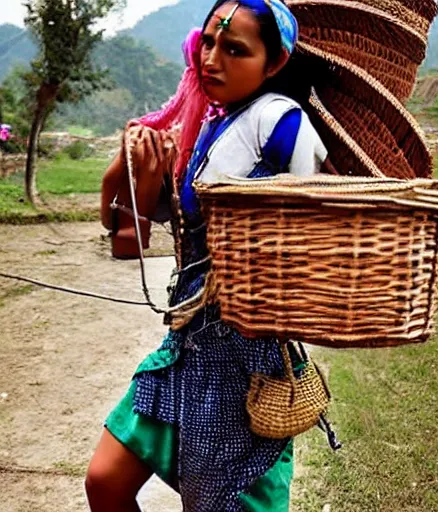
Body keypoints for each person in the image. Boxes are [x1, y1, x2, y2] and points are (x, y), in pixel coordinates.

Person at [86, 1, 329, 510]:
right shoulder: (207, 126)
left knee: (220, 501)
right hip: (187, 345)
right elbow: (134, 238)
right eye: (209, 43)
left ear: (275, 63)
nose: (212, 59)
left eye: (235, 49)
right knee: (106, 480)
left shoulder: (281, 124)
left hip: (247, 360)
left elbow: (310, 228)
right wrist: (139, 177)